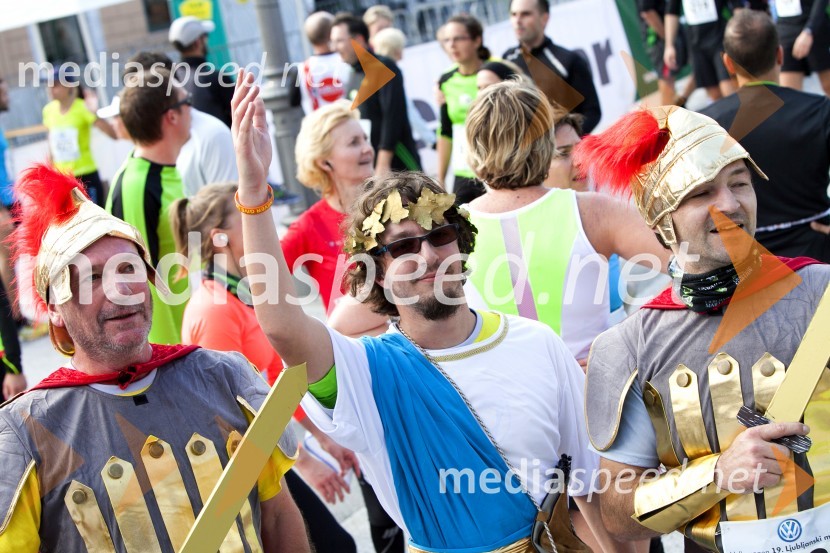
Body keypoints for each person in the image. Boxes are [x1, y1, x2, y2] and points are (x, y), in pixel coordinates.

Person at [231, 69, 616, 553]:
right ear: (375, 273)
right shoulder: (365, 373)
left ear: (461, 242)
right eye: (403, 247)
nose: (429, 255)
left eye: (440, 235)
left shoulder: (538, 343)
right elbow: (283, 326)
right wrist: (254, 193)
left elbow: (589, 489)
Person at [0, 164, 309, 552]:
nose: (121, 288)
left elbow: (276, 517)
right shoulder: (25, 433)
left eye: (128, 268)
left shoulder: (225, 377)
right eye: (92, 277)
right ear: (54, 309)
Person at [574, 105, 830, 550]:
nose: (729, 204)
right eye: (702, 192)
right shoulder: (627, 346)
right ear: (662, 221)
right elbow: (617, 514)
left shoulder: (822, 291)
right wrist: (717, 474)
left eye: (739, 184)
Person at [172, 183, 359, 553]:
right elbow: (232, 414)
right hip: (238, 467)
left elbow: (276, 378)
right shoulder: (215, 310)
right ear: (220, 238)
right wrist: (304, 462)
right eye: (249, 220)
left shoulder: (241, 294)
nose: (266, 231)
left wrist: (322, 436)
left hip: (258, 453)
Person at [701, 10, 830, 261]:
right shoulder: (820, 111)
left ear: (728, 63)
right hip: (817, 256)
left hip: (742, 264)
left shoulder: (705, 123)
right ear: (780, 54)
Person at [105, 68, 190, 344]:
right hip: (176, 346)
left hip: (197, 334)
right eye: (187, 101)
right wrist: (167, 356)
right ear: (172, 116)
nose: (192, 111)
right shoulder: (135, 185)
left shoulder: (171, 168)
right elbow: (137, 281)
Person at [330, 13, 421, 175]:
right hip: (371, 162)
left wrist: (383, 163)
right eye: (333, 41)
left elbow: (393, 117)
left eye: (339, 41)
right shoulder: (353, 73)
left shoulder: (383, 66)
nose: (334, 47)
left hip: (398, 161)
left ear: (358, 40)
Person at [503, 0, 602, 133]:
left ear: (544, 18)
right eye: (513, 14)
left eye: (525, 14)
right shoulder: (506, 60)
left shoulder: (568, 60)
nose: (518, 21)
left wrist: (565, 140)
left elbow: (592, 112)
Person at [436, 14, 492, 204]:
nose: (452, 45)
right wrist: (440, 177)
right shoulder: (446, 80)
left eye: (458, 38)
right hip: (463, 172)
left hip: (497, 169)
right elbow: (445, 132)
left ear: (477, 40)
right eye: (447, 40)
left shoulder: (494, 73)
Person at [42, 67, 117, 206]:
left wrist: (94, 112)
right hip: (62, 179)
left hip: (85, 175)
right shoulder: (48, 110)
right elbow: (51, 142)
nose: (50, 89)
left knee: (94, 218)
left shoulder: (83, 107)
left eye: (55, 85)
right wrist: (50, 174)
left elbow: (113, 135)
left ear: (69, 86)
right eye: (49, 84)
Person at [372, 27, 437, 152]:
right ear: (395, 49)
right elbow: (408, 110)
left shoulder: (373, 71)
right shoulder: (389, 73)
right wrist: (431, 139)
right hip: (395, 143)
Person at [664, 0, 737, 101]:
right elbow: (671, 13)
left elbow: (737, 7)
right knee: (715, 94)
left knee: (728, 89)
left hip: (720, 39)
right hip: (696, 44)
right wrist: (669, 46)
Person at [170, 15, 234, 127]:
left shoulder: (171, 78)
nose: (206, 40)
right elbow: (243, 117)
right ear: (198, 42)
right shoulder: (217, 79)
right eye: (205, 36)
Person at [294, 11, 352, 114]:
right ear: (332, 34)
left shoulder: (301, 70)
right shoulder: (349, 61)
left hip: (318, 123)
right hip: (350, 120)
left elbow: (293, 101)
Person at [776, 0, 830, 96]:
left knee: (827, 84)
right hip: (785, 28)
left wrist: (809, 30)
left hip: (814, 26)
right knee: (789, 94)